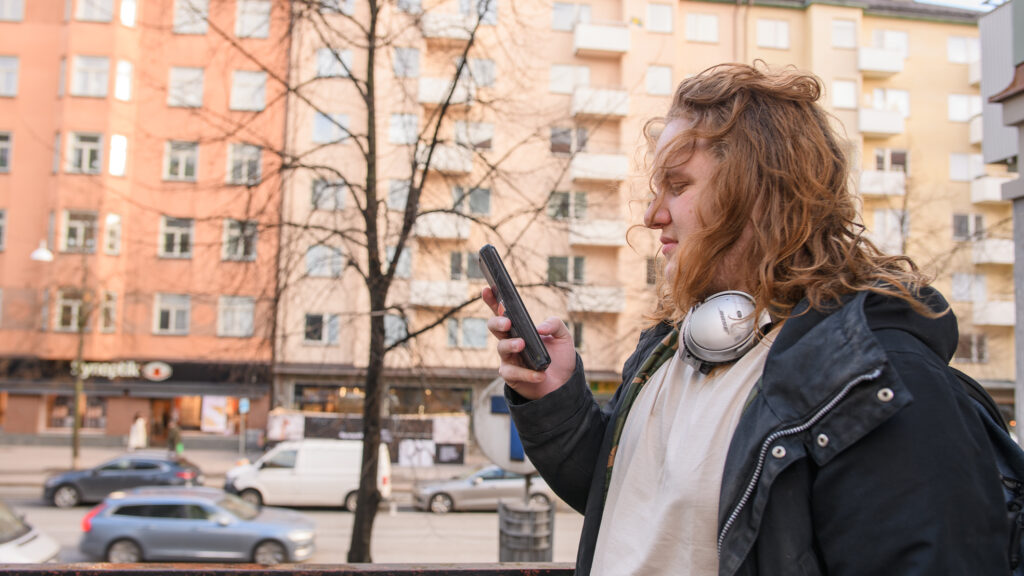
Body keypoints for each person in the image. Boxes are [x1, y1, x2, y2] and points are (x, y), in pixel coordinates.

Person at [484, 63, 1009, 575]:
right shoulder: (669, 350)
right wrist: (553, 396)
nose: (651, 215)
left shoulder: (874, 378)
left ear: (758, 195)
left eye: (679, 186)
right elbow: (636, 507)